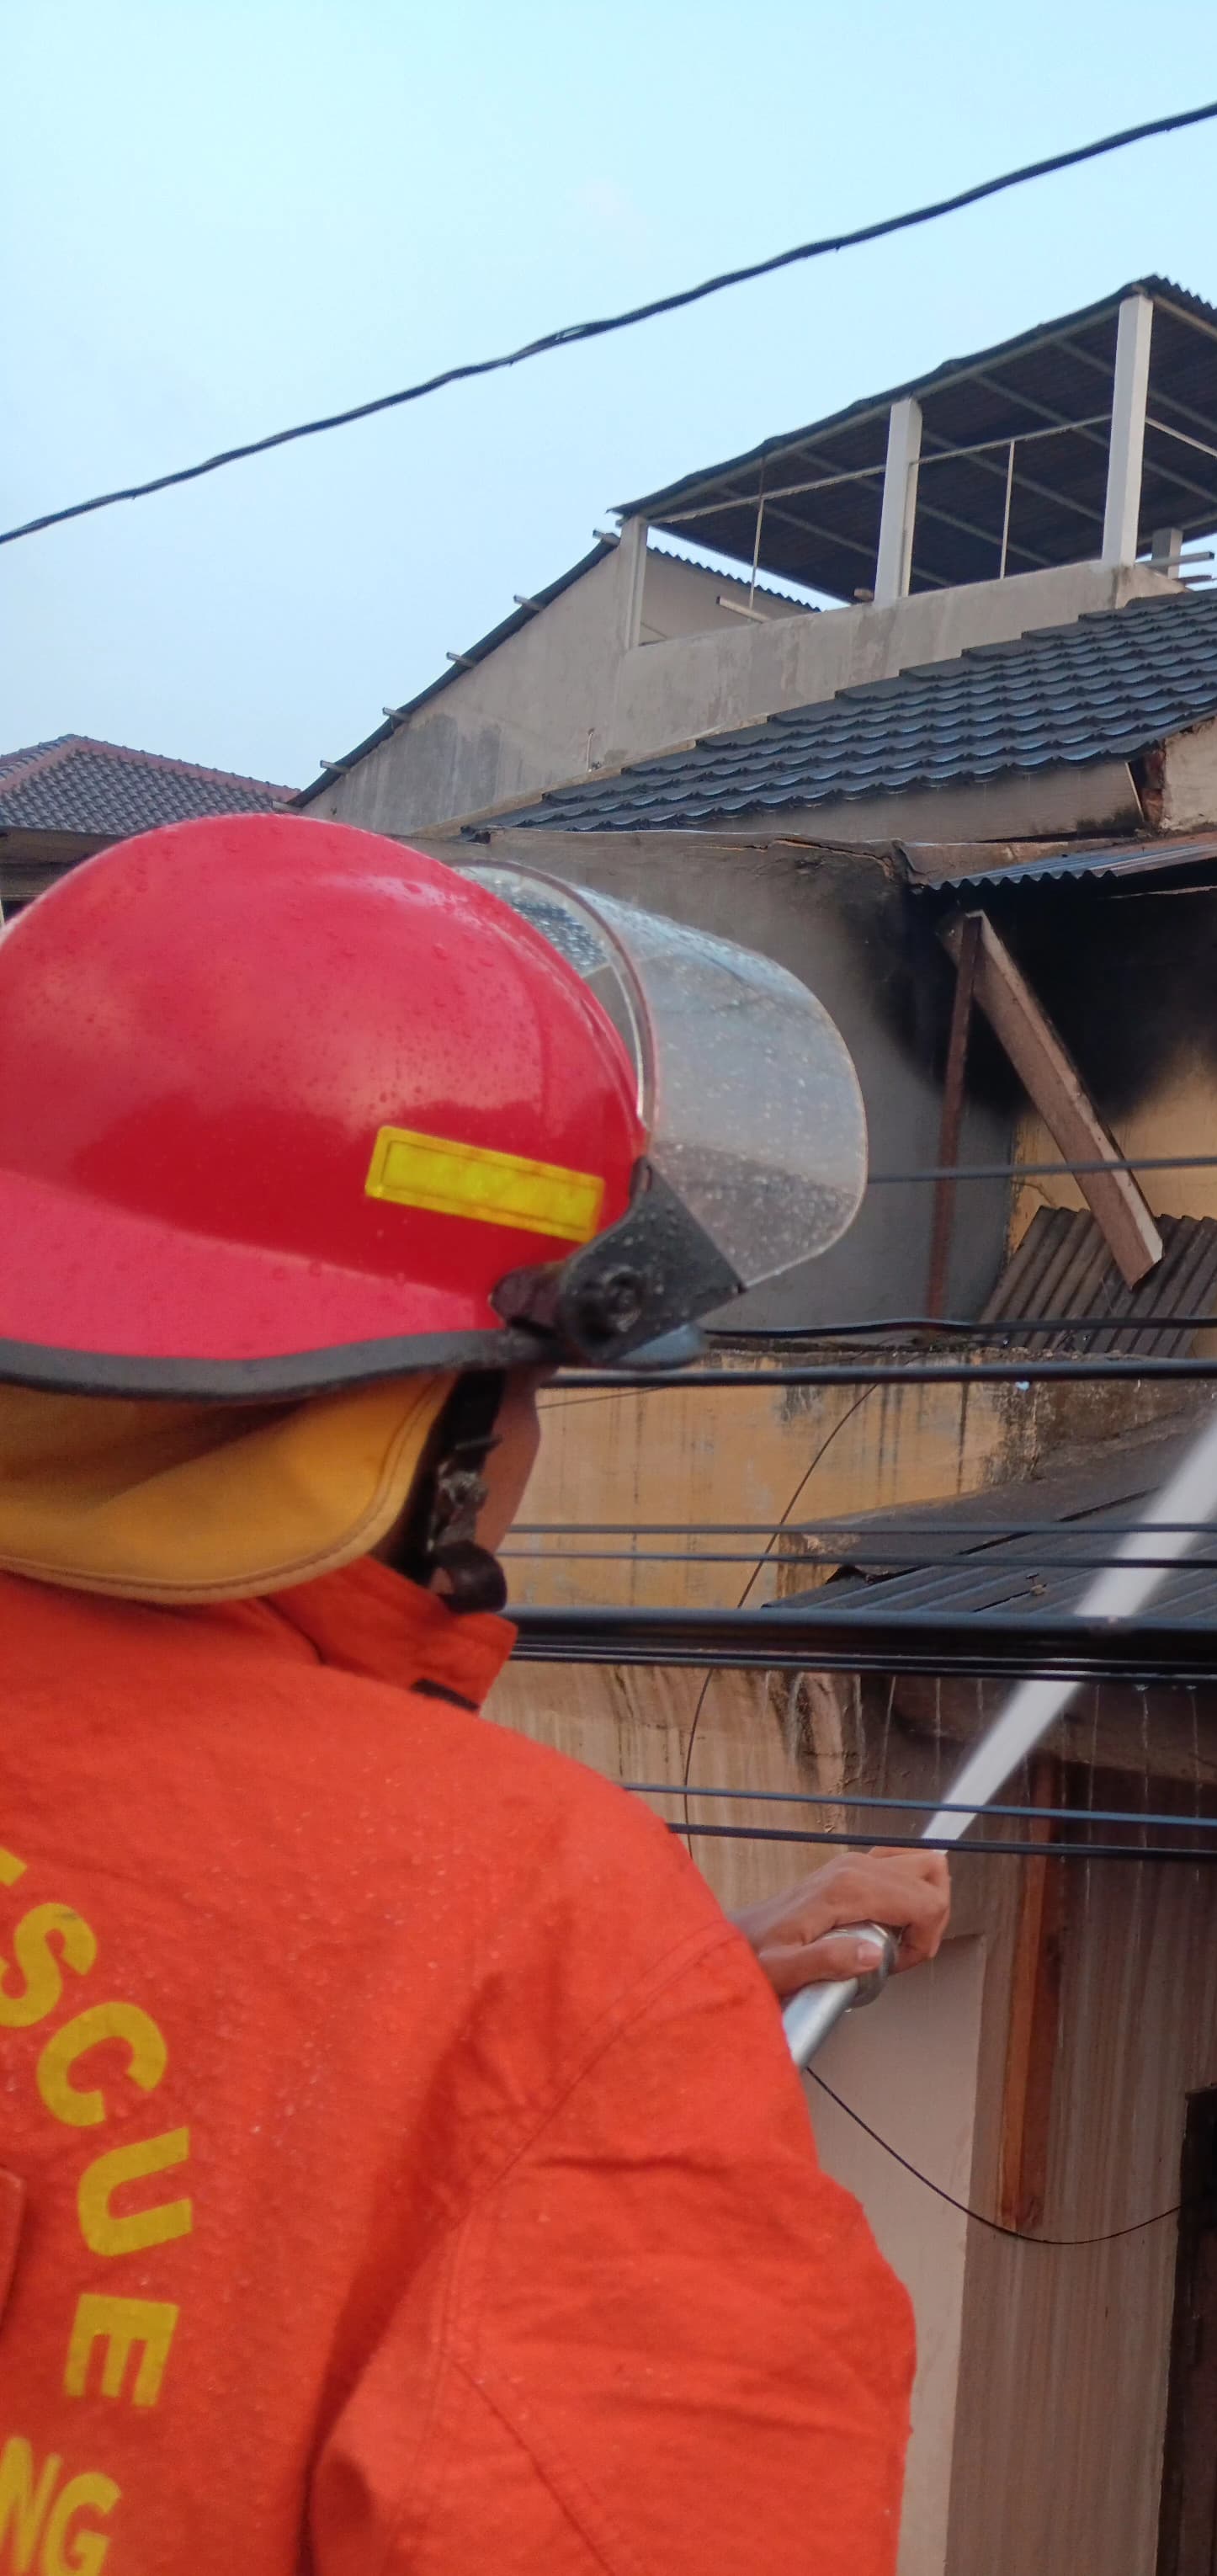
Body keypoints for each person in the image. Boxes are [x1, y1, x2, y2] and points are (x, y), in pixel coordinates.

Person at [0, 813, 933, 2569]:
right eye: (529, 1380)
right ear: (418, 1409)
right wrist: (599, 2047)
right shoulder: (536, 1923)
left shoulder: (512, 1957)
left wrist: (559, 2052)